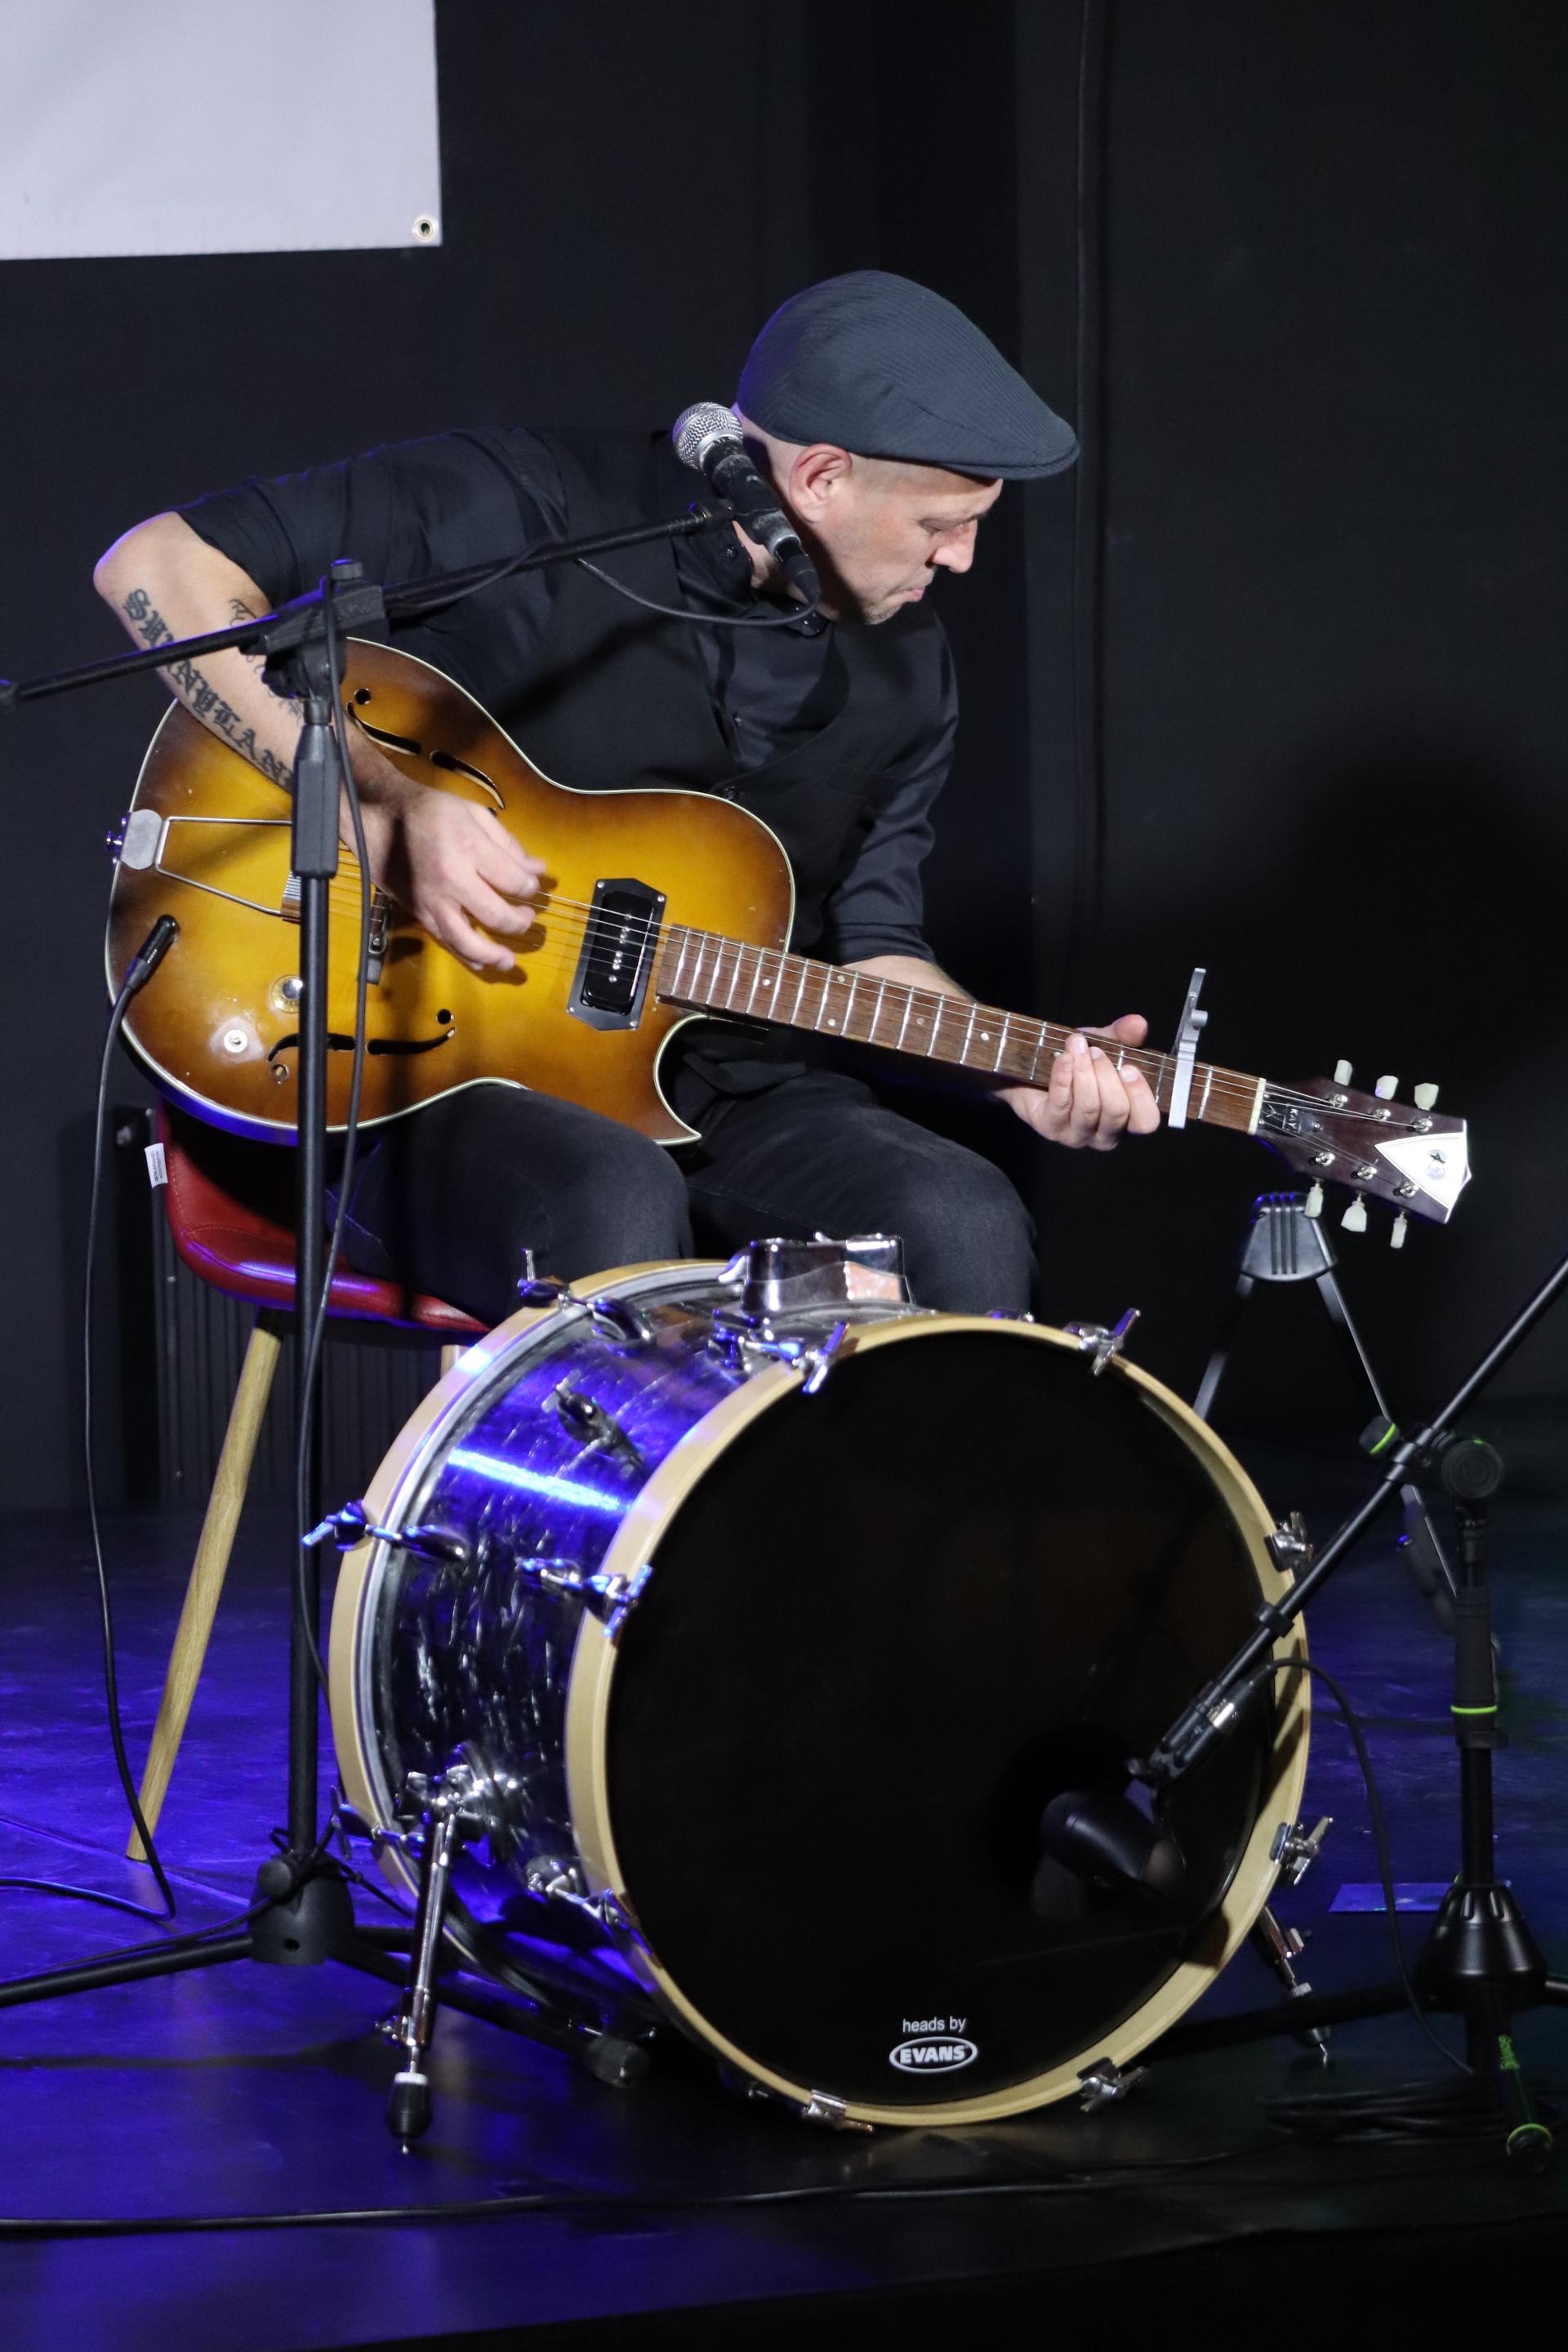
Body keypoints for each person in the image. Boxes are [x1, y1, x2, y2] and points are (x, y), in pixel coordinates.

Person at [94, 271, 1157, 1325]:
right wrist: (374, 805)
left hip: (712, 1086)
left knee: (961, 1216)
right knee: (610, 1195)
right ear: (822, 477)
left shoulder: (909, 667)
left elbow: (869, 951)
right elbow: (154, 564)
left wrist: (1011, 1068)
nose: (961, 559)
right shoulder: (528, 504)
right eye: (940, 523)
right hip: (415, 1074)